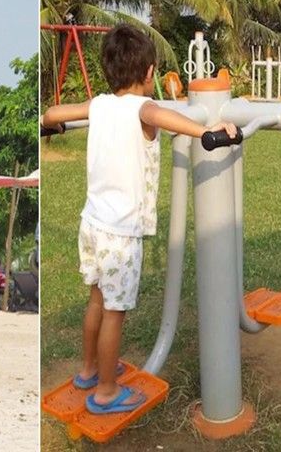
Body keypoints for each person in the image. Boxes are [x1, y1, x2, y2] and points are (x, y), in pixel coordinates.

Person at [40, 23, 237, 415]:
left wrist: (51, 123)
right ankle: (107, 392)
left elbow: (53, 112)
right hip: (120, 234)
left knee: (96, 298)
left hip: (92, 224)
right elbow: (167, 118)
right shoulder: (142, 108)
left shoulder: (98, 105)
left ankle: (88, 370)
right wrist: (210, 130)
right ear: (149, 74)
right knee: (116, 310)